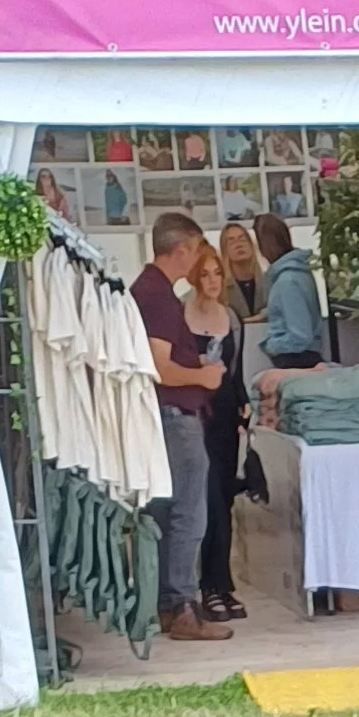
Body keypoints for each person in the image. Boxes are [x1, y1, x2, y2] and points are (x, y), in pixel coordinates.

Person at [132, 209, 228, 643]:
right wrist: (202, 376)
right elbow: (160, 367)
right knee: (188, 513)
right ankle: (183, 605)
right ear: (183, 249)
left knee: (166, 512)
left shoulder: (147, 291)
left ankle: (168, 603)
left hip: (162, 415)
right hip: (175, 414)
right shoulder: (158, 297)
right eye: (195, 252)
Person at [186, 237, 249, 625]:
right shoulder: (183, 315)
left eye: (216, 273)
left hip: (225, 414)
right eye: (205, 274)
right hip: (197, 414)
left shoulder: (231, 319)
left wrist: (244, 405)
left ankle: (220, 583)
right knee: (206, 500)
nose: (212, 280)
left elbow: (236, 368)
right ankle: (207, 585)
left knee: (224, 499)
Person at [257, 211, 327, 370]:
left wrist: (270, 345)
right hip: (304, 356)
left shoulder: (287, 282)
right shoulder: (299, 273)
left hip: (294, 359)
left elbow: (300, 336)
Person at [220, 214, 266, 320]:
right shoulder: (220, 286)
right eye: (231, 241)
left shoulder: (268, 280)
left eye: (242, 239)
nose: (239, 245)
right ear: (224, 250)